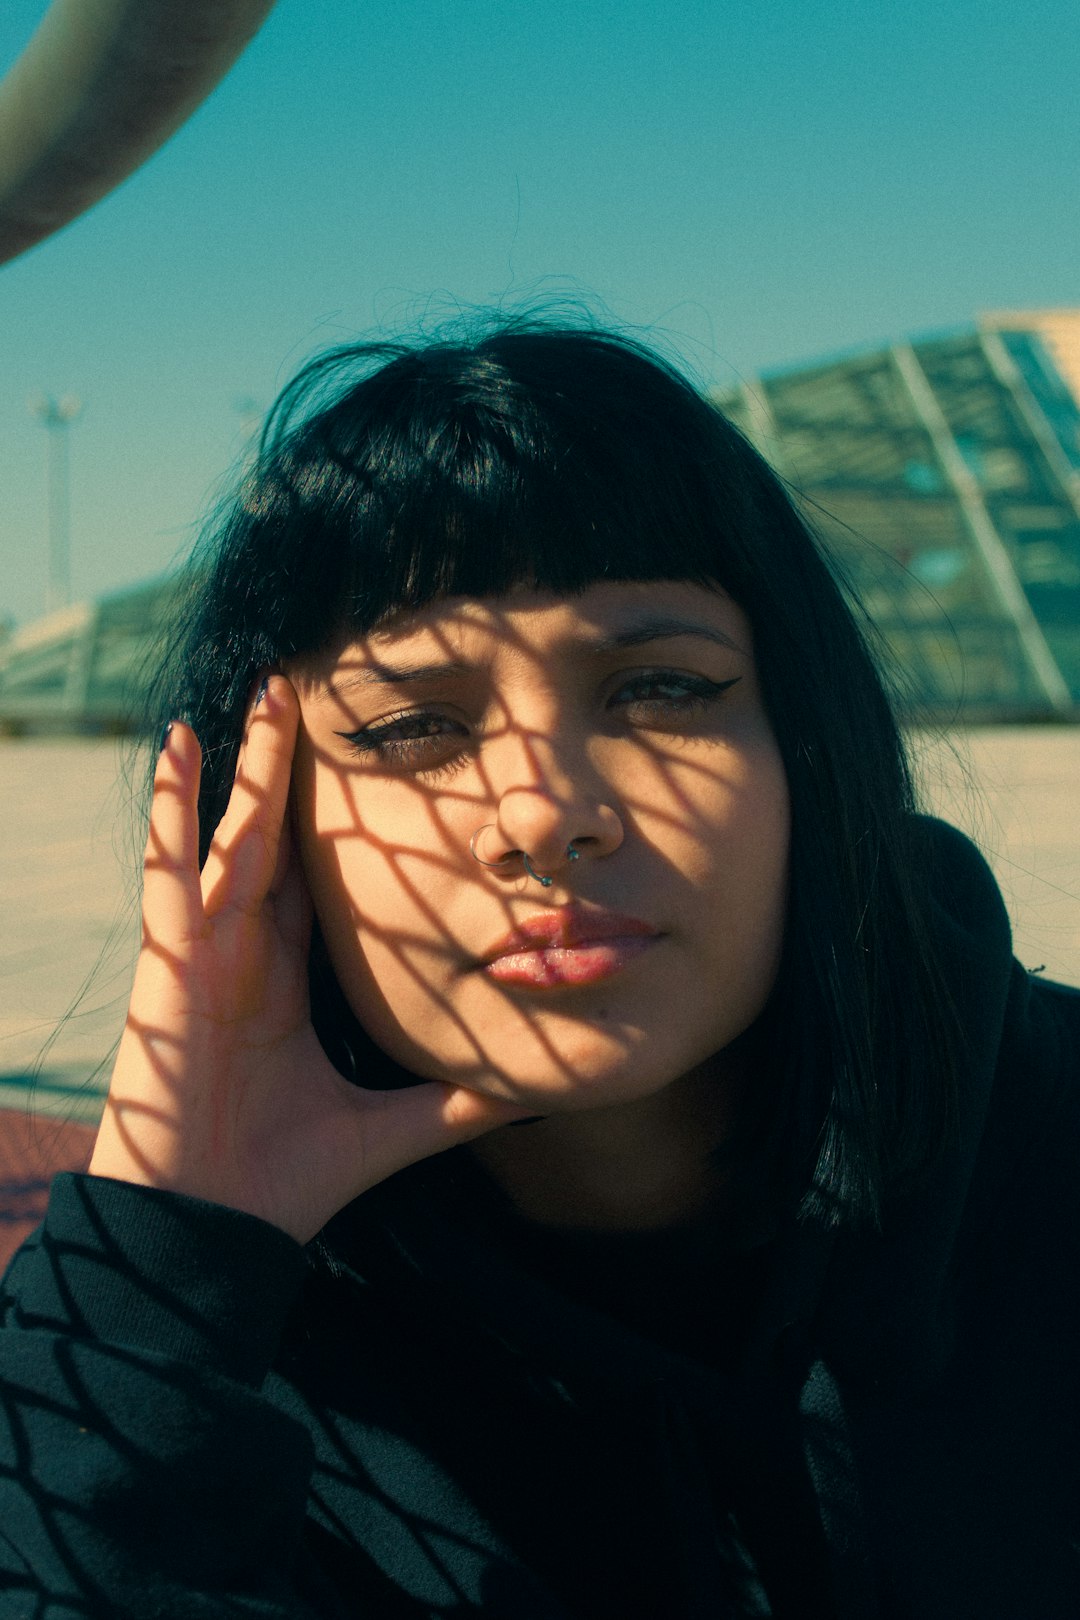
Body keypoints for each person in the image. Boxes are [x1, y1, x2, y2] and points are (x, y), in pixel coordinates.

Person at [1, 320, 1078, 1619]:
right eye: (411, 726)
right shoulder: (211, 1353)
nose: (541, 809)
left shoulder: (1050, 1140)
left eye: (660, 691)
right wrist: (158, 1287)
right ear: (268, 822)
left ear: (806, 745)